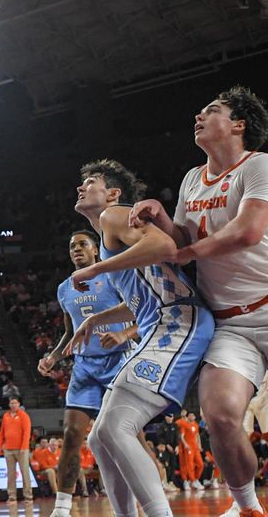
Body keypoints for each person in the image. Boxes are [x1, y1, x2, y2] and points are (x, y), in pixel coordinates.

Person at [130, 86, 268, 517]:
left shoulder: (258, 165)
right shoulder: (193, 178)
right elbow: (184, 239)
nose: (199, 115)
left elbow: (248, 232)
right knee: (221, 416)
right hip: (230, 323)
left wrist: (183, 252)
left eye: (212, 111)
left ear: (239, 125)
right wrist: (162, 218)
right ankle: (246, 506)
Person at [65, 159, 215, 517]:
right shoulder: (109, 238)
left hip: (178, 322)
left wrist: (96, 268)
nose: (81, 187)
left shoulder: (114, 215)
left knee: (116, 428)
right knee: (99, 437)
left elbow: (165, 247)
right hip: (161, 322)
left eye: (92, 182)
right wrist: (99, 318)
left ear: (113, 193)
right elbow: (143, 298)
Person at [38, 230, 137, 516]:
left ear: (96, 250)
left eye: (82, 244)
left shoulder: (114, 276)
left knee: (128, 437)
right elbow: (70, 331)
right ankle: (61, 507)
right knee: (71, 434)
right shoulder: (64, 288)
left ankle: (147, 499)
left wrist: (125, 335)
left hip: (118, 361)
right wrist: (53, 357)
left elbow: (144, 312)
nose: (76, 249)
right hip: (84, 367)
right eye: (72, 246)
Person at [0, 396, 32, 504]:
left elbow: (27, 432)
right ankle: (12, 496)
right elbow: (2, 432)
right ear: (9, 404)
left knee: (24, 472)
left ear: (19, 404)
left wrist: (24, 447)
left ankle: (28, 496)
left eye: (15, 403)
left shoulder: (24, 416)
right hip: (8, 449)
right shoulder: (6, 416)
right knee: (11, 474)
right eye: (11, 403)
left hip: (21, 449)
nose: (13, 405)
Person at [176, 412, 204, 491]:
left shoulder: (195, 424)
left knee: (200, 464)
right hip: (188, 448)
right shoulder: (184, 424)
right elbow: (182, 436)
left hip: (195, 447)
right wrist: (185, 444)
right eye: (190, 415)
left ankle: (196, 479)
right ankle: (192, 480)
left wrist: (199, 444)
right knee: (189, 465)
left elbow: (197, 435)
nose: (192, 417)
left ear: (195, 417)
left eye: (193, 415)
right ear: (188, 417)